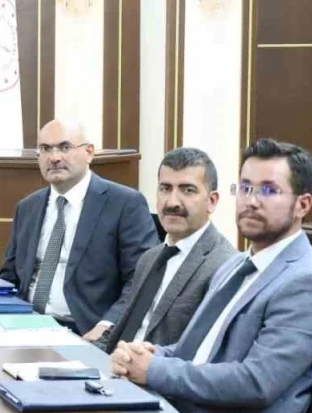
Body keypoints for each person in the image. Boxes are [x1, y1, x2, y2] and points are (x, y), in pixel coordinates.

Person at [111, 139, 312, 413]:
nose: (251, 200)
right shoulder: (237, 265)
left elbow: (255, 382)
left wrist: (155, 370)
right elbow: (195, 348)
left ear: (303, 204)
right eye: (245, 187)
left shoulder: (307, 283)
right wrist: (148, 353)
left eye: (269, 190)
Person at [0, 119, 157, 333]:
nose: (54, 157)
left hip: (87, 329)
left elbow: (141, 279)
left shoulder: (125, 203)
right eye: (45, 149)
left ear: (89, 152)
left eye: (65, 147)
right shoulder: (27, 207)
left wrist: (106, 327)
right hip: (25, 325)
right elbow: (9, 276)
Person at [84, 147, 235, 352]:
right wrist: (86, 351)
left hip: (154, 369)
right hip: (112, 363)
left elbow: (202, 352)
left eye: (188, 190)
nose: (172, 202)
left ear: (212, 201)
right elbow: (126, 329)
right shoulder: (150, 257)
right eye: (165, 189)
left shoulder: (224, 265)